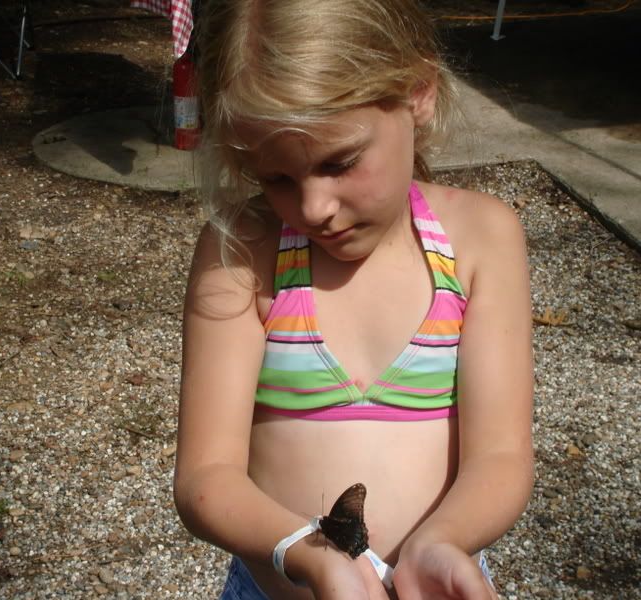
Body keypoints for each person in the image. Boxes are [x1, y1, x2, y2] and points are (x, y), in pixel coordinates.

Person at [173, 0, 534, 598]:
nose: (313, 208)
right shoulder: (244, 250)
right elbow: (205, 477)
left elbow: (499, 456)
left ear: (417, 93)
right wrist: (304, 553)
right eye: (276, 178)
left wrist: (439, 542)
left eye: (339, 162)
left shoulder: (482, 237)